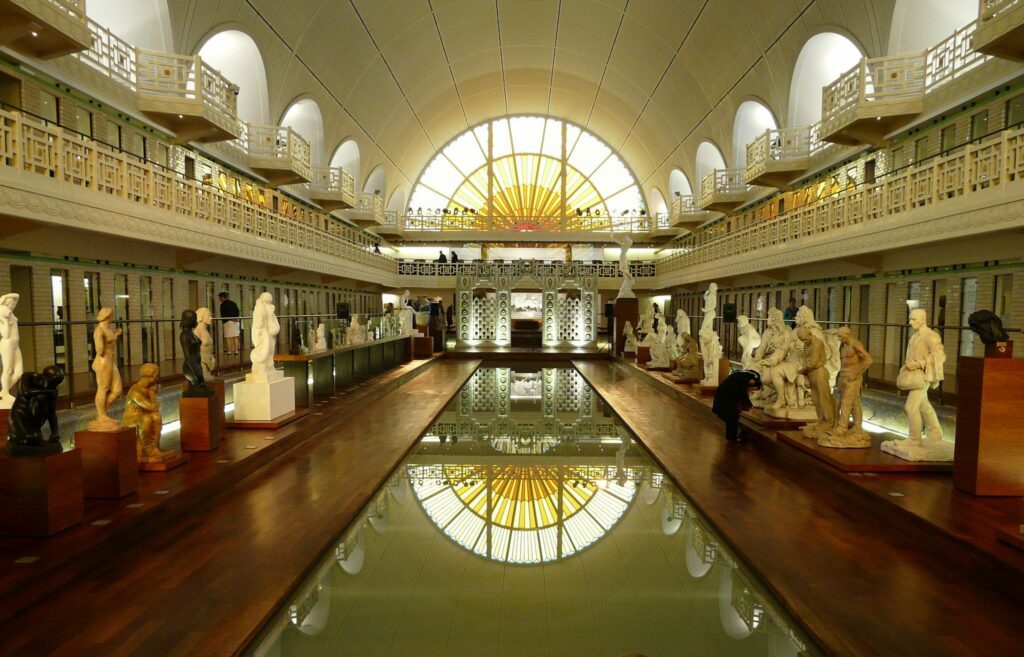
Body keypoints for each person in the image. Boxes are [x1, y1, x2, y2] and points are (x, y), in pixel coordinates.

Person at [712, 370, 762, 442]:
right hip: (727, 398)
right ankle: (733, 437)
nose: (750, 390)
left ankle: (731, 437)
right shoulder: (747, 378)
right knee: (733, 417)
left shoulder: (741, 377)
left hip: (725, 397)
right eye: (752, 389)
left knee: (731, 418)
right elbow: (743, 394)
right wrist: (750, 405)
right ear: (753, 382)